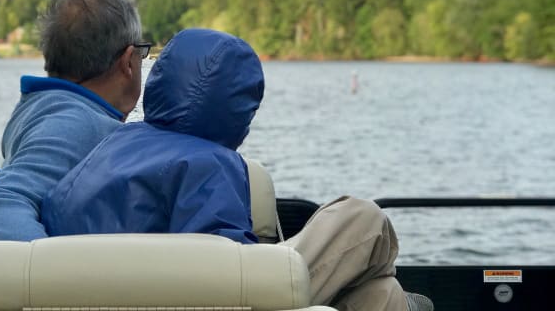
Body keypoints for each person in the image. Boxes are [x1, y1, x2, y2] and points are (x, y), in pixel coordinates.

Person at [42, 28, 433, 311]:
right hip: (213, 303)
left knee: (377, 297)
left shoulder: (113, 144)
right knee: (361, 217)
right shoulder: (208, 164)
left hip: (118, 297)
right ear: (236, 108)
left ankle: (389, 296)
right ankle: (389, 289)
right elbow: (231, 274)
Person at [0, 0, 149, 241]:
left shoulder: (42, 107)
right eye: (142, 52)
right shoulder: (75, 124)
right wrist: (58, 276)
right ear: (128, 61)